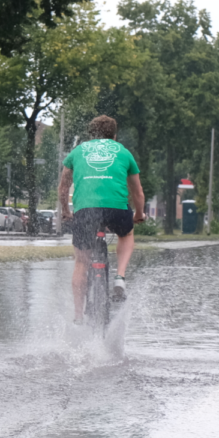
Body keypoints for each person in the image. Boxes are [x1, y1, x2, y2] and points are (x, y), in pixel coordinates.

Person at [58, 116, 145, 322]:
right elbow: (137, 193)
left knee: (81, 262)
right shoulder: (123, 152)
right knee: (126, 233)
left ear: (91, 134)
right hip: (116, 210)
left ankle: (78, 316)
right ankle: (120, 278)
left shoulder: (77, 152)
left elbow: (63, 189)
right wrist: (139, 214)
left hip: (85, 211)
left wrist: (66, 212)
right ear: (114, 136)